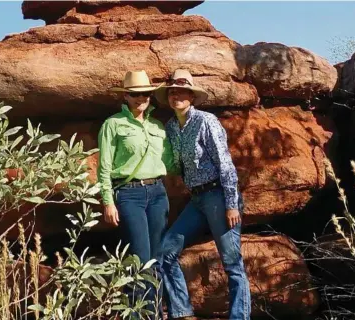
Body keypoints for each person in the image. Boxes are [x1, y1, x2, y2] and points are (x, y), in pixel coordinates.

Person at [154, 69, 251, 320]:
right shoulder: (172, 127)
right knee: (166, 252)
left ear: (192, 96)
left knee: (231, 262)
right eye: (172, 92)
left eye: (182, 91)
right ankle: (182, 312)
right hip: (196, 199)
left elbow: (225, 163)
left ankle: (239, 316)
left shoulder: (206, 121)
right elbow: (174, 164)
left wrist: (231, 204)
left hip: (218, 195)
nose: (177, 96)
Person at [98, 70, 173, 319]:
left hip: (158, 194)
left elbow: (170, 162)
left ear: (150, 96)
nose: (140, 98)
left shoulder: (157, 126)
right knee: (140, 258)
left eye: (145, 94)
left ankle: (155, 312)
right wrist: (108, 202)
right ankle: (139, 315)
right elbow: (104, 167)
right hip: (129, 195)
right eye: (134, 94)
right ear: (126, 97)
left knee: (157, 258)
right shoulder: (113, 124)